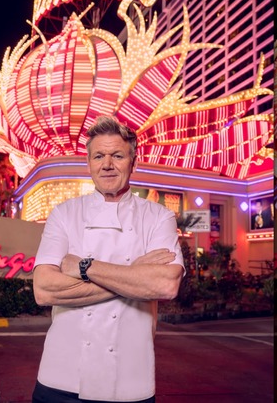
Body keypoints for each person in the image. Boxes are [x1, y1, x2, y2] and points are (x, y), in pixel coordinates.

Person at [32, 115, 184, 403]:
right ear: (89, 163)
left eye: (117, 155)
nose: (107, 165)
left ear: (133, 163)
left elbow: (165, 285)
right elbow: (44, 289)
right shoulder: (64, 214)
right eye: (98, 156)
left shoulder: (158, 216)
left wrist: (83, 267)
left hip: (130, 380)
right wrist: (134, 274)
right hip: (59, 376)